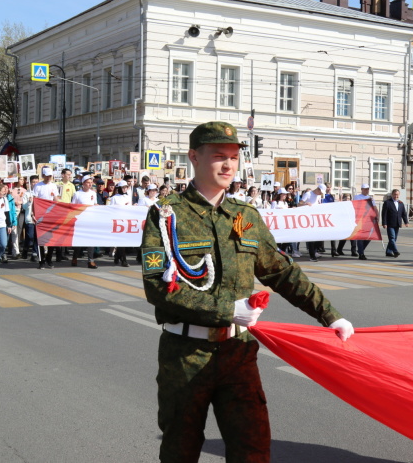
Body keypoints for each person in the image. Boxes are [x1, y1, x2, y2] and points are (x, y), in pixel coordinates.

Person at [140, 121, 354, 462]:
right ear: (194, 157)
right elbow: (157, 287)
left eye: (234, 157)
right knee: (180, 449)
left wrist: (329, 315)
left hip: (238, 353)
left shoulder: (246, 216)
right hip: (185, 355)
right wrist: (226, 310)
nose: (228, 165)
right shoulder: (167, 215)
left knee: (252, 450)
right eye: (218, 156)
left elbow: (282, 272)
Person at [33, 167, 60, 269]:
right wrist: (33, 214)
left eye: (50, 176)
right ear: (43, 176)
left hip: (51, 215)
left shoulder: (53, 186)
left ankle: (49, 258)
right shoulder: (38, 186)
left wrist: (59, 208)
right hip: (40, 215)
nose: (48, 178)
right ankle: (42, 260)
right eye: (47, 176)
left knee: (51, 238)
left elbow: (56, 199)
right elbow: (34, 200)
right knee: (41, 238)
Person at [71, 175, 98, 269]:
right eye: (88, 182)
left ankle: (91, 260)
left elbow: (94, 204)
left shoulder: (93, 193)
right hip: (80, 220)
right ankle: (75, 257)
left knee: (91, 241)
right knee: (79, 241)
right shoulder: (77, 194)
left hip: (91, 220)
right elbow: (72, 207)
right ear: (83, 183)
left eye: (91, 182)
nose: (90, 184)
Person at [109, 180, 131, 267]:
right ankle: (123, 260)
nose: (125, 189)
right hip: (118, 221)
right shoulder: (114, 198)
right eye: (123, 187)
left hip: (126, 221)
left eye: (126, 187)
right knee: (120, 241)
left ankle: (117, 257)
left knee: (123, 241)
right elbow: (111, 209)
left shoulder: (128, 197)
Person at [381, 189, 408, 258]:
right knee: (392, 238)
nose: (396, 196)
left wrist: (406, 222)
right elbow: (384, 214)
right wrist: (384, 223)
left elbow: (403, 213)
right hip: (389, 223)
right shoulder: (387, 202)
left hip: (397, 223)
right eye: (395, 194)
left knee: (394, 238)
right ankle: (395, 251)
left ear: (399, 195)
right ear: (392, 195)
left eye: (397, 194)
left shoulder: (401, 203)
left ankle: (389, 252)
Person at [353, 184, 375, 259]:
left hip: (368, 220)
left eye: (367, 189)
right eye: (365, 189)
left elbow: (374, 207)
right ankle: (361, 254)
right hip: (359, 219)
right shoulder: (357, 197)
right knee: (360, 237)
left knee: (369, 237)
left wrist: (377, 216)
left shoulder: (370, 198)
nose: (366, 190)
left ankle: (360, 250)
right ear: (362, 189)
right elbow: (354, 207)